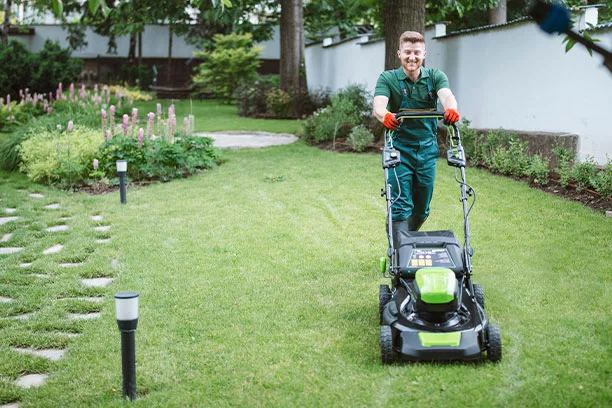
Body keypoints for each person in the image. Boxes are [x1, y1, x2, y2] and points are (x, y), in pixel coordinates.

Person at [372, 31, 460, 247]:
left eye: (417, 53)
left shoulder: (435, 77)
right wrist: (386, 116)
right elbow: (379, 104)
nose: (412, 57)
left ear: (424, 54)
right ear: (399, 53)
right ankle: (399, 252)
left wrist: (451, 109)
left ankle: (402, 242)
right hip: (399, 150)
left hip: (427, 151)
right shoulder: (388, 78)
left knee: (422, 208)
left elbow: (447, 96)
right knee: (401, 203)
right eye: (407, 53)